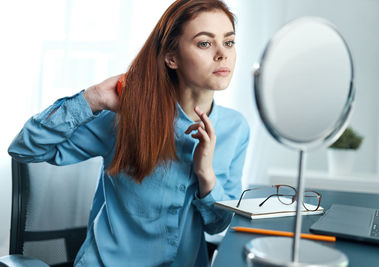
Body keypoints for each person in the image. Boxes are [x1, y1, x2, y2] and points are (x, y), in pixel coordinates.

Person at [8, 0, 250, 266]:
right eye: (205, 43)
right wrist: (92, 99)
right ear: (172, 57)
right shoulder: (126, 116)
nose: (222, 54)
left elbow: (217, 225)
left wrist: (206, 175)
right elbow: (26, 147)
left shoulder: (235, 128)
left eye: (229, 42)